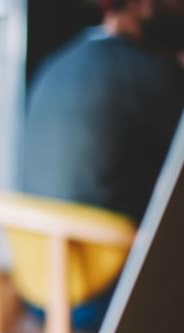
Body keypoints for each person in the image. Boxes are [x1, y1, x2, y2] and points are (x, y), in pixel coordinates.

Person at [23, 0, 184, 223]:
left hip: (38, 251)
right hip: (115, 254)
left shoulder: (53, 66)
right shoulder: (148, 73)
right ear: (145, 5)